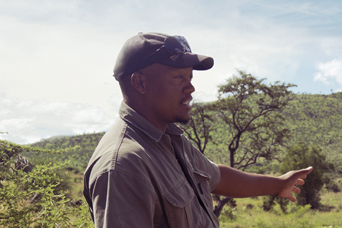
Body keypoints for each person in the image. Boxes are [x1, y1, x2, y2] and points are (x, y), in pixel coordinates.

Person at [83, 32, 313, 228]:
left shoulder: (170, 139)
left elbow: (216, 177)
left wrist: (279, 183)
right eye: (178, 77)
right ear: (139, 83)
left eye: (190, 77)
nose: (191, 88)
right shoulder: (123, 166)